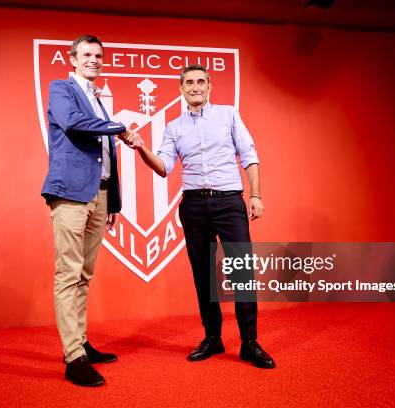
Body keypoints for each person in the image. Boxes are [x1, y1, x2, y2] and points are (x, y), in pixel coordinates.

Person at [121, 64, 275, 369]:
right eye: (189, 82)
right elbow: (163, 167)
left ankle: (249, 343)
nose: (195, 86)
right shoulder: (174, 127)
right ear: (180, 89)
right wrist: (140, 148)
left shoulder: (229, 114)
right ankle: (213, 339)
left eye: (200, 81)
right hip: (193, 205)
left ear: (209, 86)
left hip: (229, 202)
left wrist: (255, 195)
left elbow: (249, 155)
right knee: (204, 274)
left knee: (242, 272)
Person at [41, 34, 137, 386]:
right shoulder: (62, 89)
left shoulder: (99, 101)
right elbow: (73, 123)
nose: (93, 59)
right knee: (68, 275)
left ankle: (80, 343)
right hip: (70, 193)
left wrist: (112, 202)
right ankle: (73, 358)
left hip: (99, 195)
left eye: (98, 55)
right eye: (87, 54)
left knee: (84, 274)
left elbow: (105, 155)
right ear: (73, 59)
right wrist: (122, 127)